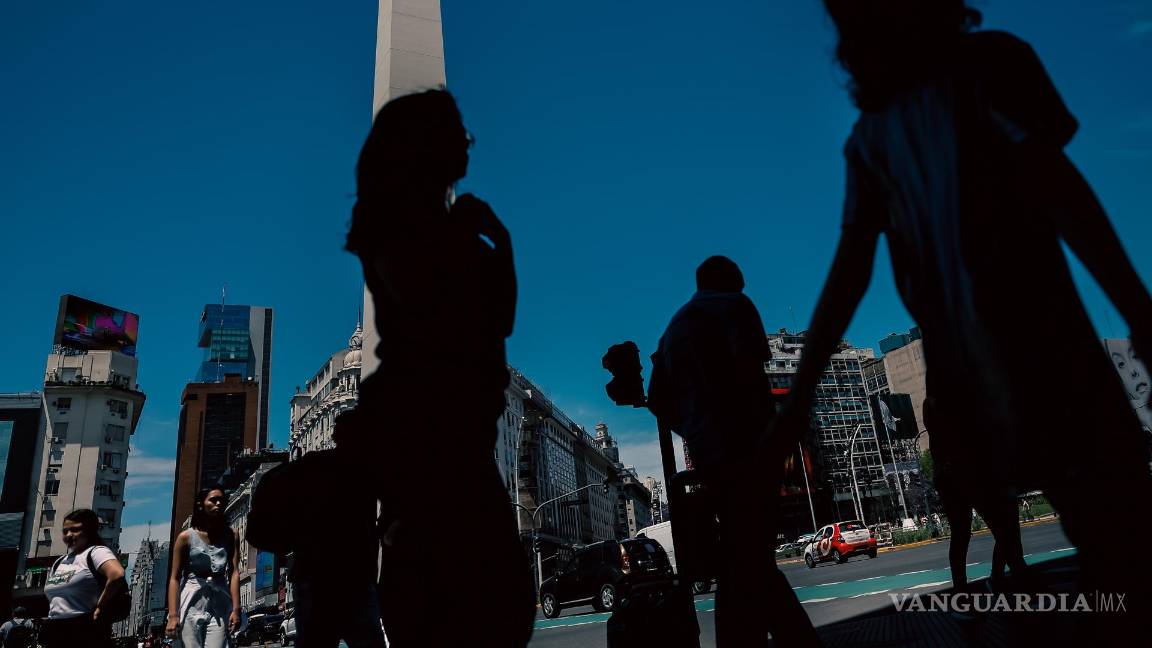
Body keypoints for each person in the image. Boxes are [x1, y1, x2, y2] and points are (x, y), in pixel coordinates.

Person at [769, 0, 1152, 635]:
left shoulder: (905, 115)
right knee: (1116, 539)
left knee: (1110, 535)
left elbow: (849, 274)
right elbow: (1064, 192)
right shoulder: (953, 87)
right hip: (1038, 358)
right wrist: (1137, 309)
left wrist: (793, 407)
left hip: (1017, 363)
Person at [341, 89, 535, 646]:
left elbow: (498, 323)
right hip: (434, 434)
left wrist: (499, 242)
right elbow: (461, 320)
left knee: (491, 599)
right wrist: (487, 243)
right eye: (459, 135)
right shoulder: (405, 230)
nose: (468, 145)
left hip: (458, 432)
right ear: (426, 146)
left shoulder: (431, 225)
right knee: (477, 598)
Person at [649, 256, 820, 646]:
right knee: (754, 558)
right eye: (741, 279)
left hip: (711, 457)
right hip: (747, 449)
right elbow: (751, 376)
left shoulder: (672, 329)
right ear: (728, 279)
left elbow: (658, 398)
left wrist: (693, 426)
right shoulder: (734, 306)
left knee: (741, 559)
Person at [40, 509, 126, 648]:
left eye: (75, 530)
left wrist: (100, 607)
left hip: (83, 632)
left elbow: (117, 575)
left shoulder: (97, 552)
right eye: (65, 531)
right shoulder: (59, 562)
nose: (69, 535)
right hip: (55, 631)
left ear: (89, 531)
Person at [165, 488, 240, 648]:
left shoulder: (231, 535)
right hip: (192, 600)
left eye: (222, 500)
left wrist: (236, 609)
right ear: (201, 504)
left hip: (220, 601)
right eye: (213, 500)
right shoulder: (185, 537)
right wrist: (173, 615)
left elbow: (234, 572)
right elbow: (174, 578)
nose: (219, 503)